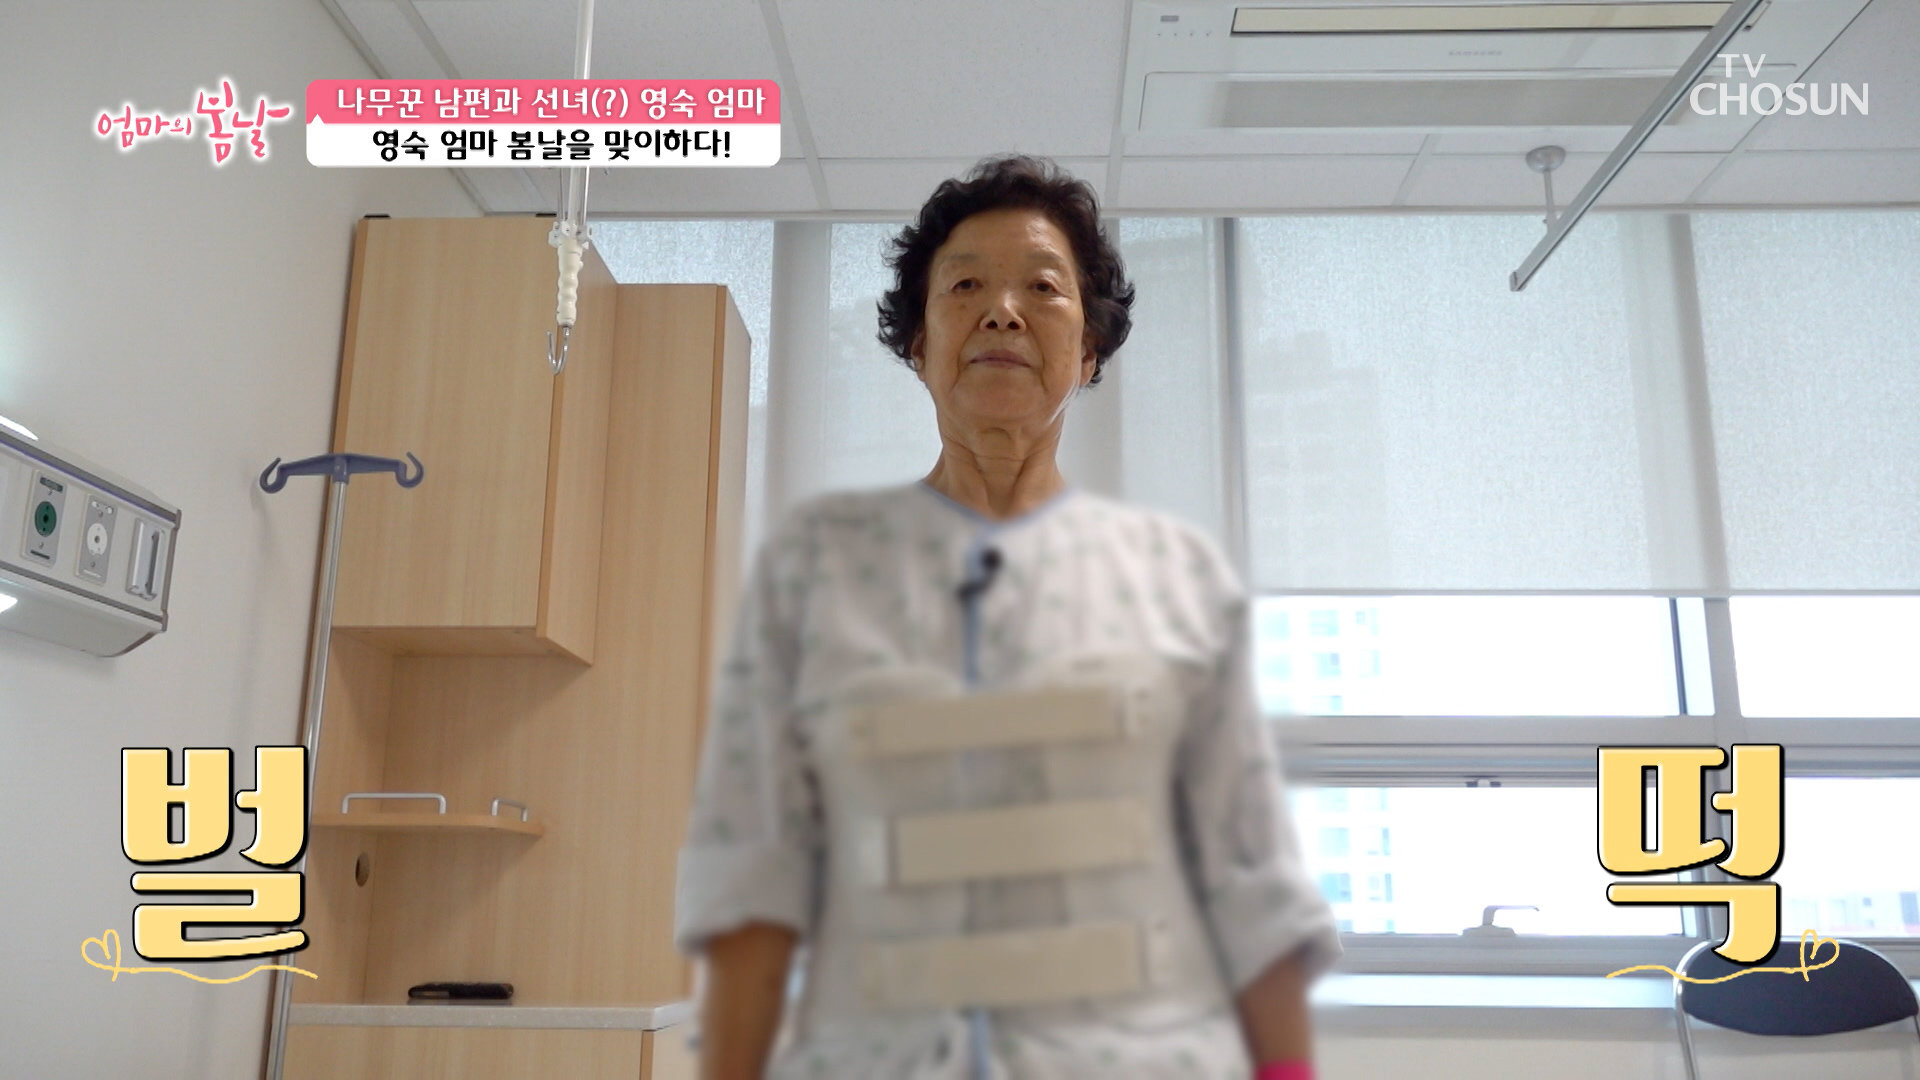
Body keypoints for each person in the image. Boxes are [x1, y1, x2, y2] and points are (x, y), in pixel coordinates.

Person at [674, 154, 1339, 1080]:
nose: (1003, 311)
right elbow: (754, 876)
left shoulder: (1172, 579)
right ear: (917, 344)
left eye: (1043, 287)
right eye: (965, 286)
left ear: (1090, 350)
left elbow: (1251, 881)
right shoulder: (818, 570)